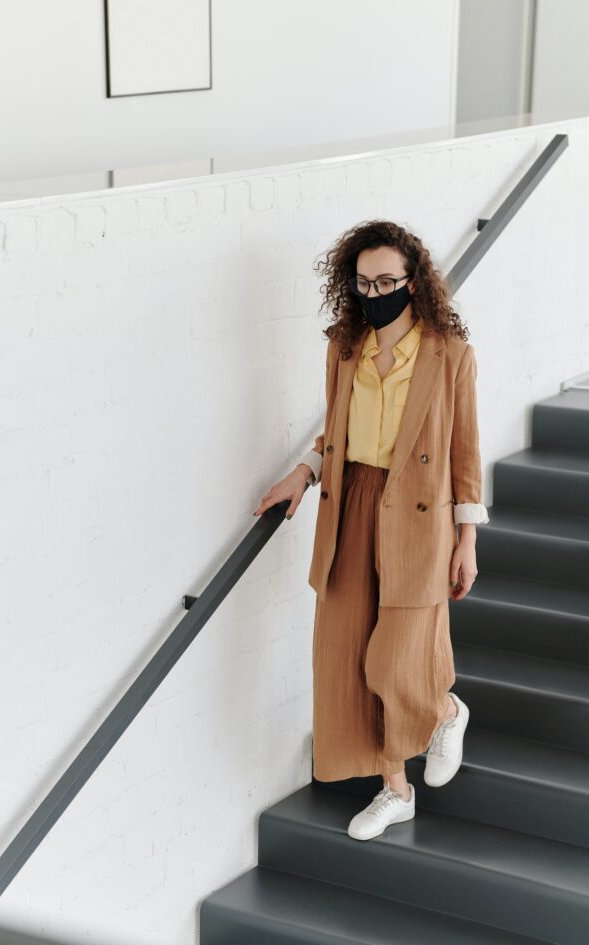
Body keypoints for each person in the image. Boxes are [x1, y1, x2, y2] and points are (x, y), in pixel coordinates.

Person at [253, 220, 489, 841]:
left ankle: (445, 709)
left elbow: (465, 453)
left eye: (386, 281)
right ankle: (396, 791)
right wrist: (303, 472)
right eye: (363, 283)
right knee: (348, 654)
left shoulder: (449, 354)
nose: (374, 292)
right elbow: (337, 430)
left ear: (414, 281)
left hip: (417, 513)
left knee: (395, 657)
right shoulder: (346, 347)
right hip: (351, 504)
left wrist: (467, 539)